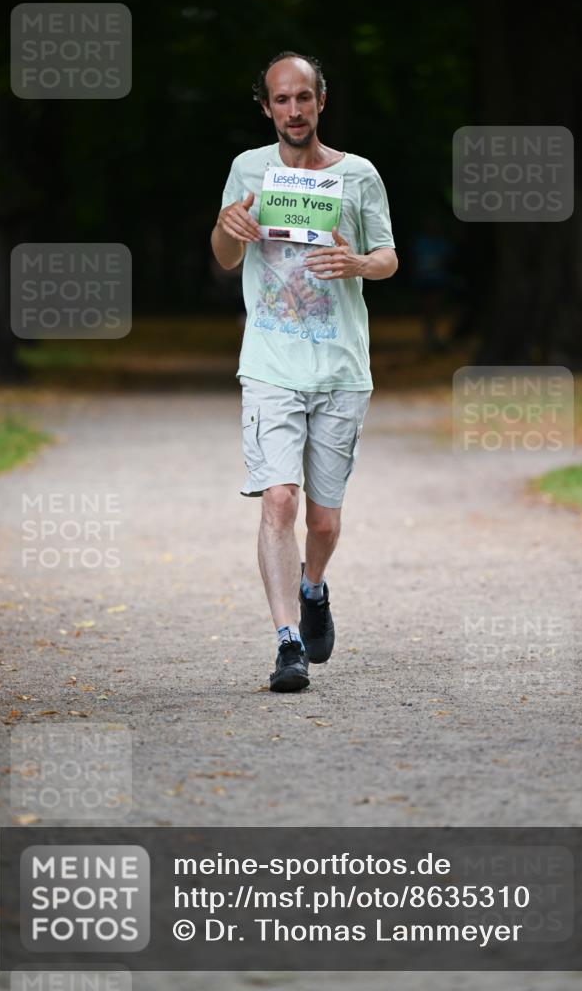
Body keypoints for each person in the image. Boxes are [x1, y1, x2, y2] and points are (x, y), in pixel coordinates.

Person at [211, 51, 397, 692]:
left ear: (321, 101)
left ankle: (313, 586)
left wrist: (358, 264)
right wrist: (228, 225)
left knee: (322, 521)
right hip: (270, 364)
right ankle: (287, 642)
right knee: (278, 500)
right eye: (282, 100)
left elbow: (388, 257)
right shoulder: (248, 169)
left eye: (304, 97)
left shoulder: (359, 174)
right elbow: (226, 255)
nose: (294, 110)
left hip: (341, 367)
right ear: (266, 107)